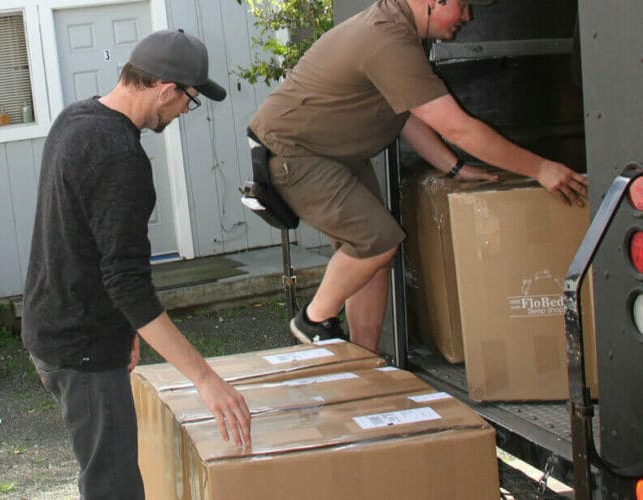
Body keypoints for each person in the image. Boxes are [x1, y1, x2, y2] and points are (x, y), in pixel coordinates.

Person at [249, 0, 588, 354]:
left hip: (334, 155)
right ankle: (314, 320)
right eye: (463, 4)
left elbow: (408, 114)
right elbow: (459, 128)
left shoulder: (402, 33)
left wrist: (453, 167)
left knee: (374, 260)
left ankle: (363, 359)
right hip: (296, 154)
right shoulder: (386, 39)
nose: (468, 16)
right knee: (377, 241)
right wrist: (541, 168)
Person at [21, 29, 251, 500]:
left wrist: (125, 331)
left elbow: (83, 240)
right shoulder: (120, 156)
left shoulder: (76, 117)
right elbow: (126, 281)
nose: (187, 111)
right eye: (189, 100)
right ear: (166, 89)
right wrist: (206, 380)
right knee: (114, 486)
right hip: (82, 347)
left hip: (53, 327)